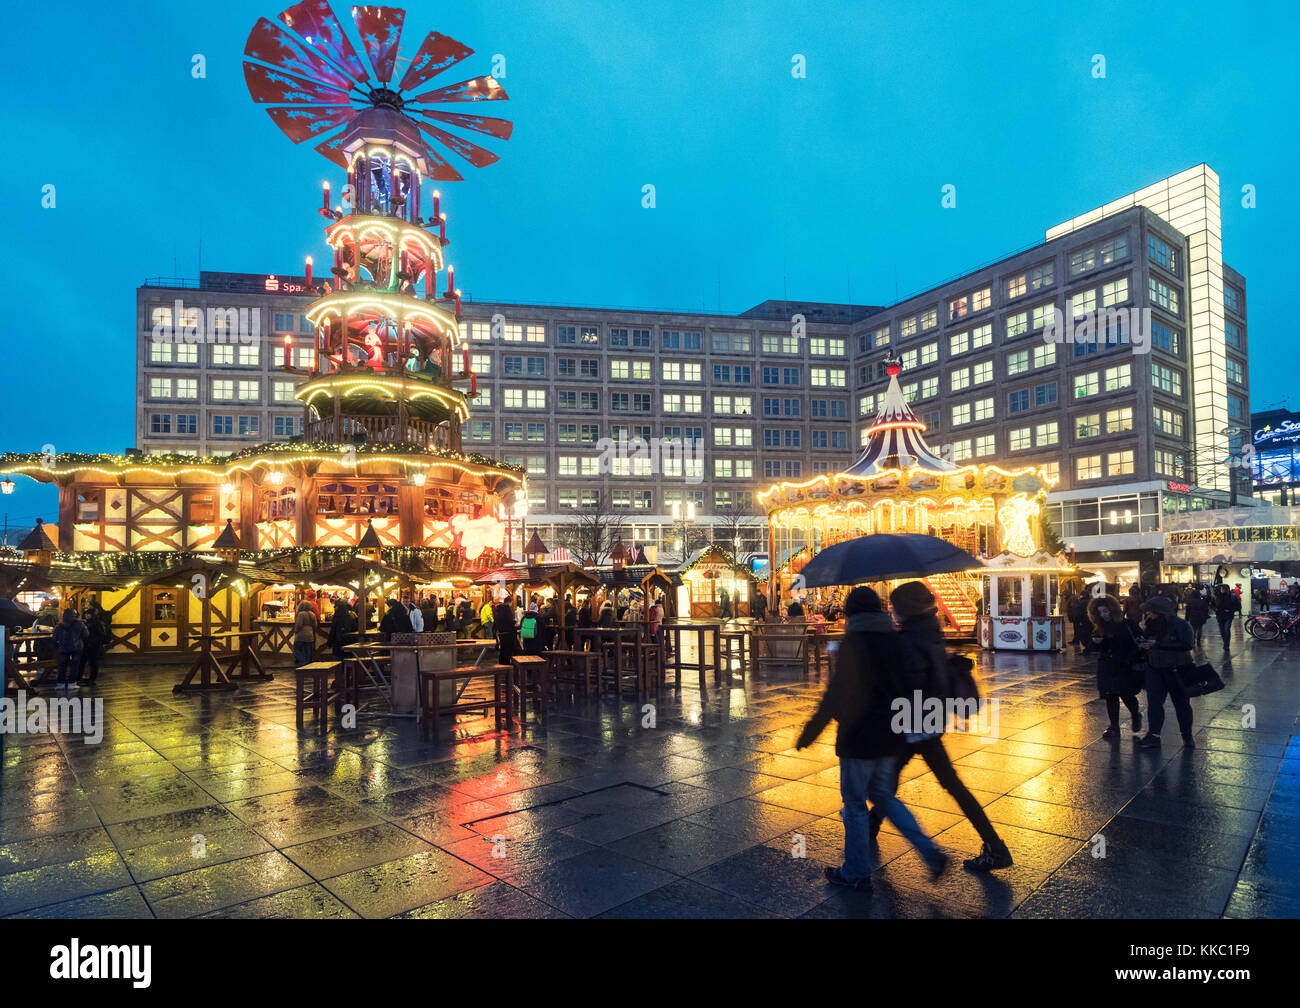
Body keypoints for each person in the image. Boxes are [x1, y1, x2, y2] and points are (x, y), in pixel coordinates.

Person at [796, 585, 947, 890]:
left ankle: (856, 872)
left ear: (851, 613)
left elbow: (835, 695)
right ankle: (930, 853)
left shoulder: (853, 643)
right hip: (890, 735)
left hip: (858, 737)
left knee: (853, 804)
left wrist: (810, 732)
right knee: (884, 796)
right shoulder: (895, 638)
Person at [867, 581, 1013, 873]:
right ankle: (994, 846)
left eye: (895, 606)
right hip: (929, 719)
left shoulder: (908, 639)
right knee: (944, 783)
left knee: (891, 782)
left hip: (910, 720)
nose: (892, 611)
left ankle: (994, 847)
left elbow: (908, 682)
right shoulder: (929, 631)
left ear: (905, 608)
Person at [1136, 595, 1195, 749]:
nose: (1148, 615)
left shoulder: (1180, 624)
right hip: (1154, 668)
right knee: (1154, 703)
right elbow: (1148, 642)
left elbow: (1187, 644)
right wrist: (1143, 644)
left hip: (1177, 669)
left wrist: (1159, 644)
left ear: (1160, 612)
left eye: (1150, 612)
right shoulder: (1149, 624)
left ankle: (1187, 736)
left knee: (1181, 704)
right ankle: (1153, 735)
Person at [1088, 594, 1143, 739]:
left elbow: (1139, 644)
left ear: (1112, 610)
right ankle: (1114, 726)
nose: (1103, 615)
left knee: (1127, 695)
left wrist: (1129, 658)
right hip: (1107, 666)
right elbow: (1092, 648)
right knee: (1110, 697)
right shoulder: (1099, 628)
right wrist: (1096, 643)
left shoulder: (1127, 625)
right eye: (1100, 612)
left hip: (1125, 665)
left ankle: (1135, 714)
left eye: (1105, 611)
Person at [52, 608, 87, 691]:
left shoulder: (59, 625)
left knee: (62, 666)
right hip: (77, 647)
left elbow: (54, 637)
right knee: (74, 666)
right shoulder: (80, 624)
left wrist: (57, 645)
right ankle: (72, 683)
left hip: (63, 648)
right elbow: (86, 634)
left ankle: (61, 684)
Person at [78, 602, 109, 684]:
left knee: (92, 663)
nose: (86, 616)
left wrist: (94, 641)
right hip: (86, 645)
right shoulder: (86, 623)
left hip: (93, 646)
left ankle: (92, 679)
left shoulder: (96, 623)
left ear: (92, 615)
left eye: (88, 614)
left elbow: (101, 635)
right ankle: (80, 678)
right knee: (83, 662)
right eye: (86, 614)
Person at [1212, 583, 1241, 653]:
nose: (1221, 590)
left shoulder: (1232, 597)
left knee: (1226, 629)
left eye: (1223, 588)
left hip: (1228, 616)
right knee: (1222, 631)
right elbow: (1212, 605)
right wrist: (1215, 609)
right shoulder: (1217, 597)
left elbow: (1239, 607)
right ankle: (1225, 642)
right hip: (1219, 616)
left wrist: (1230, 610)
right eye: (1220, 588)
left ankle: (1226, 645)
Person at [494, 596, 519, 665]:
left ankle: (502, 663)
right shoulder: (507, 609)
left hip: (501, 632)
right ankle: (507, 664)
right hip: (508, 632)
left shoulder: (498, 609)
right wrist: (514, 621)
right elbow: (508, 621)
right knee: (508, 649)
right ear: (510, 602)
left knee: (503, 649)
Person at [292, 601, 318, 667]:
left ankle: (303, 662)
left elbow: (299, 624)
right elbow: (315, 626)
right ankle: (307, 665)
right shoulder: (313, 614)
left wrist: (296, 631)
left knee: (296, 649)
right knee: (308, 651)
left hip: (301, 634)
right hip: (310, 634)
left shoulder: (301, 614)